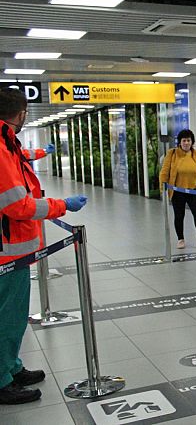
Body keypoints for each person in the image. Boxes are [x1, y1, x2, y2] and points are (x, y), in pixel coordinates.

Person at [0, 87, 88, 404]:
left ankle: (11, 367)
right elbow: (17, 204)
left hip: (14, 248)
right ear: (21, 113)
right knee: (7, 316)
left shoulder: (7, 144)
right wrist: (61, 205)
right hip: (6, 251)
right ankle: (1, 379)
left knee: (13, 314)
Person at [159, 129, 196, 249]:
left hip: (194, 191)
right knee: (179, 215)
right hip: (178, 192)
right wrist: (164, 188)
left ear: (192, 142)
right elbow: (164, 172)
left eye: (188, 140)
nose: (186, 143)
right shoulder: (172, 154)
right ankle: (180, 239)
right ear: (180, 142)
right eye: (184, 140)